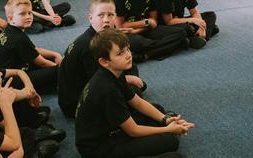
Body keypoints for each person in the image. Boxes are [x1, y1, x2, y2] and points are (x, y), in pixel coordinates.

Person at [75, 28, 194, 158]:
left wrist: (165, 120)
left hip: (110, 128)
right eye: (120, 53)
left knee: (158, 111)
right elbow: (133, 131)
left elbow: (137, 102)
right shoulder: (107, 89)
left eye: (127, 49)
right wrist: (168, 129)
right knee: (170, 143)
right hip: (100, 149)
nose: (128, 55)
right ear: (104, 61)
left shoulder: (113, 73)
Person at [58, 0, 146, 118]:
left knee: (129, 62)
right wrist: (129, 80)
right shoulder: (89, 46)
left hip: (90, 83)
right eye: (101, 15)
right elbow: (98, 82)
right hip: (76, 103)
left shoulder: (102, 37)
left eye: (110, 15)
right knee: (133, 91)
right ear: (90, 18)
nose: (106, 20)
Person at [0, 0, 62, 94]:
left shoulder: (10, 30)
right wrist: (60, 69)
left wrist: (55, 54)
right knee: (59, 69)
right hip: (11, 81)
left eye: (30, 13)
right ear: (11, 19)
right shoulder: (19, 38)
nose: (28, 16)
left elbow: (33, 49)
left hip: (11, 70)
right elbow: (41, 63)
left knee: (52, 61)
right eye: (22, 14)